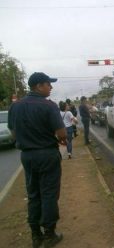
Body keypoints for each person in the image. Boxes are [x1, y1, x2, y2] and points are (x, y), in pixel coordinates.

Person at [7, 72, 66, 248]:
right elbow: (62, 133)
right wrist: (62, 140)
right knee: (48, 194)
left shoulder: (15, 106)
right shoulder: (49, 106)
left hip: (27, 155)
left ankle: (35, 235)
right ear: (39, 86)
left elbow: (13, 132)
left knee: (33, 194)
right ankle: (49, 234)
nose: (51, 87)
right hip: (47, 154)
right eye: (49, 84)